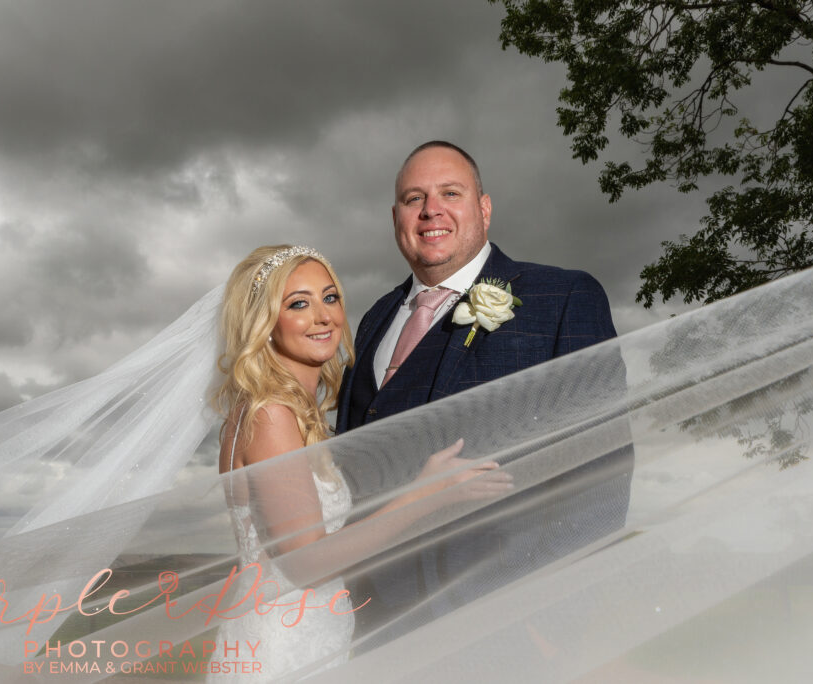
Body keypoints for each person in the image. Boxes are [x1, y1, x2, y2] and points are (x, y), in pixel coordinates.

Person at [335, 141, 634, 645]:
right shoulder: (373, 319)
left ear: (484, 207)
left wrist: (552, 617)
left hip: (497, 619)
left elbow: (600, 468)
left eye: (450, 192)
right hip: (367, 621)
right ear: (396, 216)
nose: (431, 210)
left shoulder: (562, 299)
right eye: (414, 198)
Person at [204, 245, 511, 681]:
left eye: (330, 298)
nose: (323, 316)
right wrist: (425, 492)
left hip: (306, 635)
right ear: (264, 323)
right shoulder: (271, 414)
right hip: (287, 651)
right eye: (297, 304)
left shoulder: (280, 413)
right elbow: (305, 563)